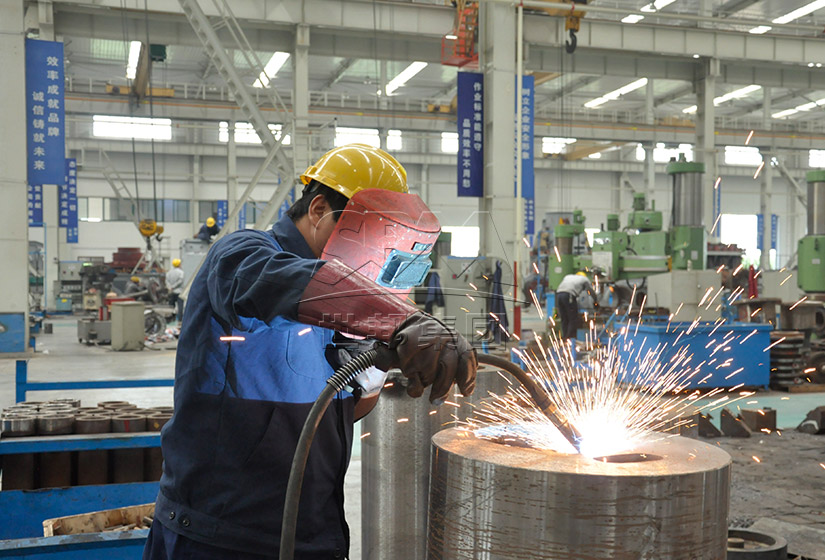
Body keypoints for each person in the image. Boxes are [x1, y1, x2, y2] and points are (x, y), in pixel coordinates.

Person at [143, 144, 477, 560]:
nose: (373, 260)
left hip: (312, 534)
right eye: (369, 238)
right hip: (218, 538)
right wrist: (396, 318)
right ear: (318, 209)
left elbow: (342, 413)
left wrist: (381, 364)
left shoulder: (352, 300)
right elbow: (279, 284)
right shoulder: (243, 255)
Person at [556, 271, 596, 340]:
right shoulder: (585, 279)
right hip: (569, 295)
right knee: (573, 318)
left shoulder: (568, 276)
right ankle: (570, 338)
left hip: (559, 295)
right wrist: (596, 301)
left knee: (564, 318)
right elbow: (591, 291)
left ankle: (565, 337)